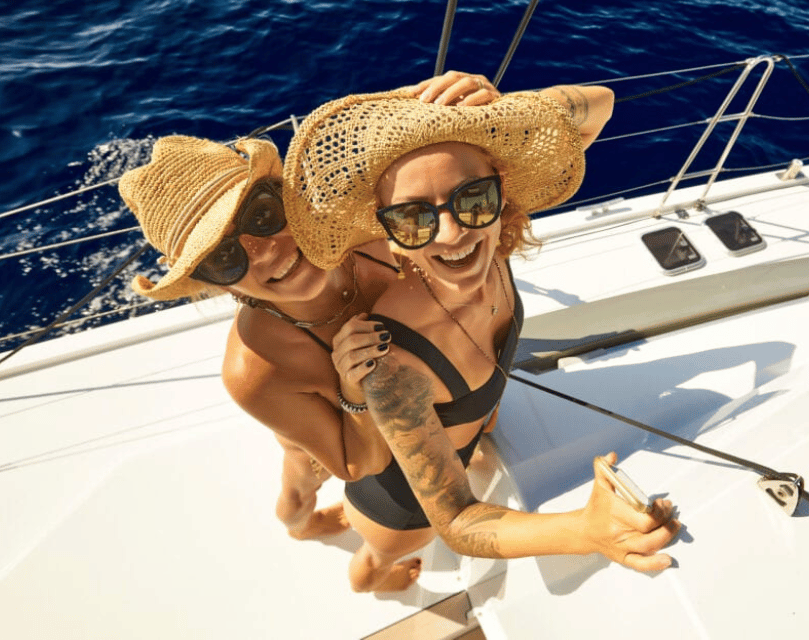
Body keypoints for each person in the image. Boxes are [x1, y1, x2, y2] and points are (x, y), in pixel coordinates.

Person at [283, 81, 683, 593]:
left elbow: (599, 105)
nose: (452, 235)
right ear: (387, 232)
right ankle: (372, 581)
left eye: (471, 198)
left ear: (500, 187)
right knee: (377, 561)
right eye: (412, 217)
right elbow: (455, 522)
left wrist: (494, 106)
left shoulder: (495, 241)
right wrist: (587, 531)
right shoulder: (394, 363)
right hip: (401, 510)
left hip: (459, 447)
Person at [116, 72, 499, 544]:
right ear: (212, 285)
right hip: (323, 429)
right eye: (223, 258)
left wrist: (444, 101)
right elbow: (357, 464)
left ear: (288, 195)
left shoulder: (361, 222)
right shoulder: (253, 370)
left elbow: (394, 152)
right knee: (302, 477)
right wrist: (351, 389)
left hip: (407, 401)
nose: (264, 251)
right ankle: (300, 528)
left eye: (261, 214)